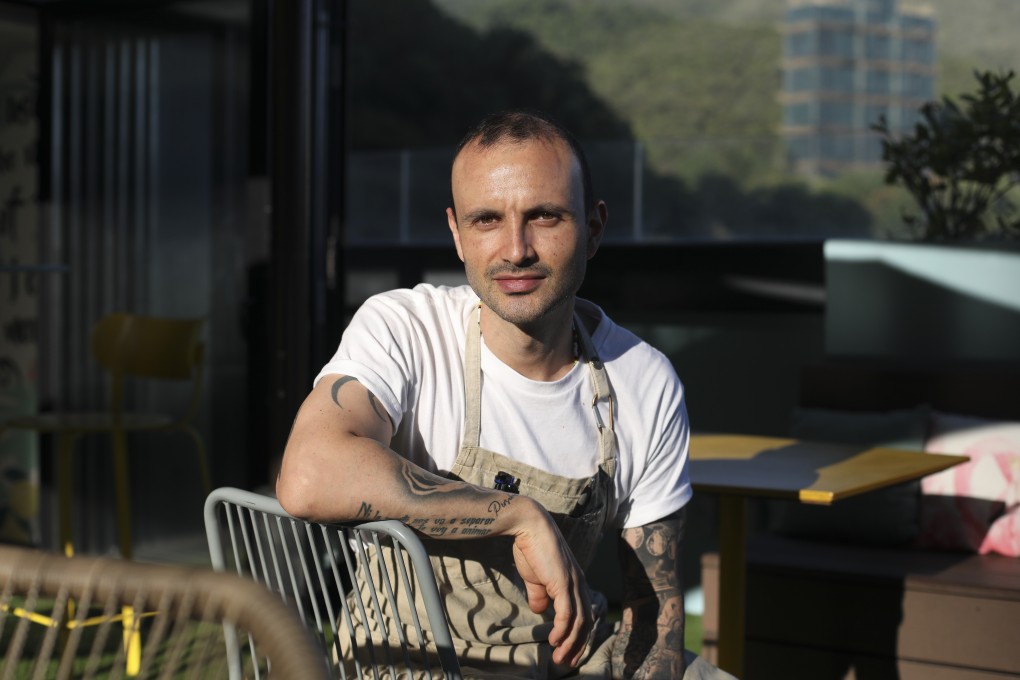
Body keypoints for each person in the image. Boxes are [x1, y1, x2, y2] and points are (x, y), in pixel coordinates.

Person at [277, 109, 732, 679]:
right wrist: (516, 516)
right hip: (406, 664)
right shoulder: (405, 329)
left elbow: (654, 616)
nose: (516, 250)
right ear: (457, 234)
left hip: (566, 662)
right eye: (487, 220)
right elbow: (309, 475)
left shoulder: (642, 379)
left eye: (544, 216)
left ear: (593, 228)